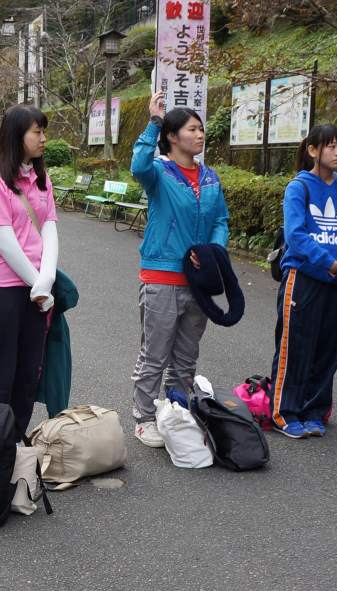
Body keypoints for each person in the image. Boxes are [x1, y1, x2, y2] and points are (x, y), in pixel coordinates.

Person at [129, 92, 230, 448]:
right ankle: (144, 418)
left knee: (186, 358)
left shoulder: (210, 177)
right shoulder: (159, 172)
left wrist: (213, 251)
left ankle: (176, 412)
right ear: (172, 136)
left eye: (201, 129)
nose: (200, 135)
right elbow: (137, 166)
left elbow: (220, 219)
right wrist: (153, 122)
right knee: (155, 355)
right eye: (192, 129)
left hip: (198, 282)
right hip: (162, 277)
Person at [270, 124, 337, 439]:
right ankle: (284, 411)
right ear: (313, 150)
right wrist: (329, 263)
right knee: (296, 346)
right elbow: (296, 236)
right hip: (304, 277)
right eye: (331, 146)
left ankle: (314, 411)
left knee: (329, 347)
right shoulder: (299, 187)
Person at [0, 104, 58, 437]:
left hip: (37, 292)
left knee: (27, 374)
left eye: (43, 131)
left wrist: (46, 281)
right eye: (37, 132)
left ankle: (15, 443)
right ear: (16, 135)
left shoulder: (40, 178)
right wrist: (39, 284)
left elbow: (49, 228)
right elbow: (4, 241)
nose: (43, 138)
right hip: (3, 290)